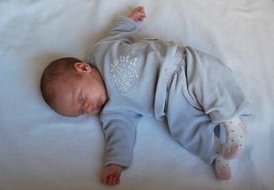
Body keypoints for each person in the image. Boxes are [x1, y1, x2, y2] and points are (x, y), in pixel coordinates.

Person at [40, 6, 248, 185]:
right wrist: (115, 163)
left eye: (81, 99)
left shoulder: (101, 51)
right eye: (80, 112)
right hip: (172, 105)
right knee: (184, 130)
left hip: (179, 65)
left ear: (82, 68)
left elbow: (117, 33)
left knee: (210, 82)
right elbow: (119, 135)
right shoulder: (112, 111)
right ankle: (216, 153)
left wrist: (130, 21)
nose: (87, 109)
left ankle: (231, 122)